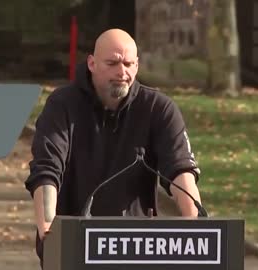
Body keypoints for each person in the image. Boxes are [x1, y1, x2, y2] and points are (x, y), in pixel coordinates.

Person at [24, 28, 203, 266]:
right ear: (92, 63)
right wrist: (47, 225)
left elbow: (180, 168)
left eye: (129, 64)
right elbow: (47, 169)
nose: (122, 72)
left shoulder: (158, 108)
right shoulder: (62, 105)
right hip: (74, 243)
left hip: (138, 247)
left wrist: (196, 225)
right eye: (113, 63)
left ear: (137, 66)